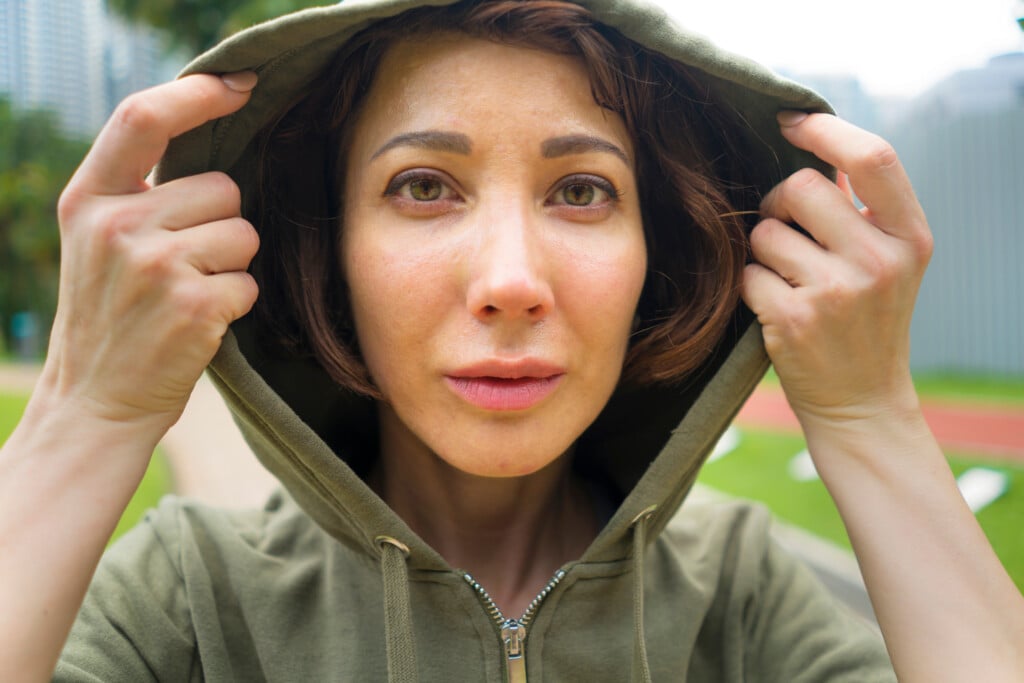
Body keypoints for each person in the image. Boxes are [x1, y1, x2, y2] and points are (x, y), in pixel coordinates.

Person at [1, 0, 1022, 680]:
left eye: (581, 190)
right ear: (328, 248)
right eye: (422, 186)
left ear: (654, 255)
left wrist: (868, 414)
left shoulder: (740, 597)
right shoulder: (187, 597)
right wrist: (86, 413)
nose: (509, 282)